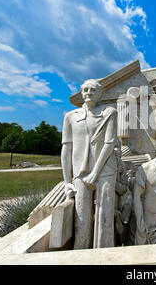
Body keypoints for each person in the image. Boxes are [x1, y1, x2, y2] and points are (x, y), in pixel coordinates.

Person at [61, 79, 118, 249]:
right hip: (80, 172)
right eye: (85, 90)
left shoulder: (110, 112)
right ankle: (80, 252)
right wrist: (66, 182)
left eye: (93, 90)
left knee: (105, 217)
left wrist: (95, 172)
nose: (88, 93)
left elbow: (109, 143)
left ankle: (104, 253)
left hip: (105, 170)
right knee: (81, 218)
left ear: (101, 93)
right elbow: (66, 149)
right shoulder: (70, 117)